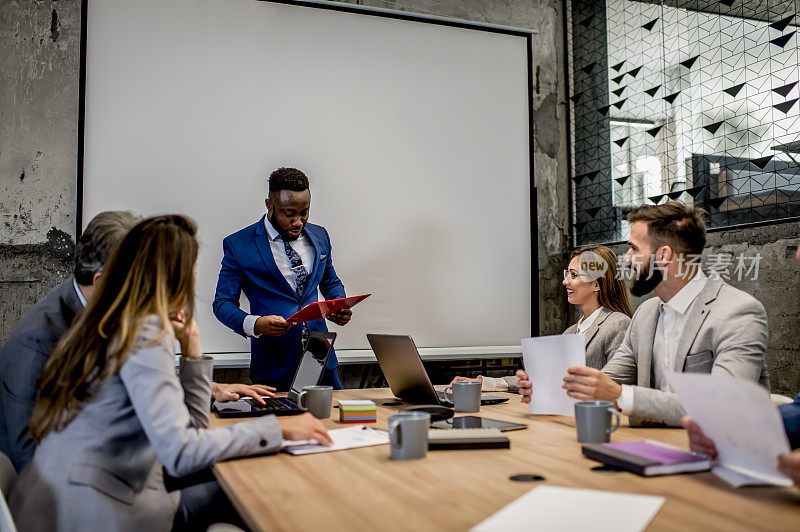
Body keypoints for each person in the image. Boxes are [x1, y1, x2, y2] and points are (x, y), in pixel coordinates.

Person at [8, 215, 332, 531]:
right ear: (176, 273)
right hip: (102, 512)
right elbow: (181, 453)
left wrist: (191, 345)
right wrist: (277, 429)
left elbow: (190, 428)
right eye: (193, 266)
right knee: (253, 492)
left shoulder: (118, 319)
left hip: (80, 496)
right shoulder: (144, 330)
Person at [0, 211, 272, 473]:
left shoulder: (102, 312)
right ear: (104, 280)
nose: (153, 286)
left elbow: (117, 386)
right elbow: (28, 456)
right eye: (143, 276)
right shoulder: (36, 343)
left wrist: (208, 387)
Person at [517, 201, 770, 426]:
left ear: (664, 255)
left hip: (719, 461)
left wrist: (619, 396)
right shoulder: (646, 314)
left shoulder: (737, 313)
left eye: (634, 249)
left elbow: (723, 406)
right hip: (653, 448)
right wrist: (546, 388)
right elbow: (605, 381)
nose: (626, 260)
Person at [213, 167, 352, 389]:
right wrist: (255, 324)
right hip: (273, 367)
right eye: (289, 214)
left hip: (322, 361)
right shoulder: (238, 244)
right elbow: (222, 304)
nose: (298, 221)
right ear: (270, 205)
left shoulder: (320, 235)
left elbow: (330, 281)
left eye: (304, 212)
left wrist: (339, 303)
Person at [452, 245, 632, 392]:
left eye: (574, 275)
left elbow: (615, 386)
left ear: (596, 284)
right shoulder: (571, 331)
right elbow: (545, 377)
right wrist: (483, 383)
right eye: (567, 274)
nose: (565, 281)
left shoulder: (617, 324)